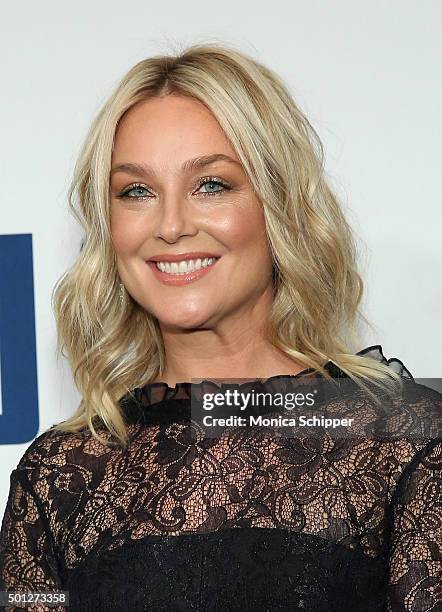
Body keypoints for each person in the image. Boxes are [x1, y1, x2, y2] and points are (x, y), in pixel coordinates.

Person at [0, 42, 440, 612]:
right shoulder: (58, 476)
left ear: (278, 203)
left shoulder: (403, 445)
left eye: (211, 185)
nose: (172, 225)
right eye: (137, 191)